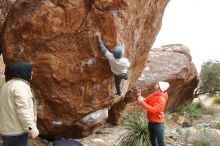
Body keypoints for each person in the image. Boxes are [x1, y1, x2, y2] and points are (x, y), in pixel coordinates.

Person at [0, 62, 39, 146]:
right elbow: (23, 110)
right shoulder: (20, 87)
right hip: (16, 132)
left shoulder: (6, 85)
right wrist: (31, 128)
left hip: (7, 130)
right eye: (30, 71)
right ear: (23, 72)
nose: (32, 73)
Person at [95, 32, 130, 96]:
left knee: (117, 83)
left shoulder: (110, 57)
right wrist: (122, 46)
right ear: (122, 55)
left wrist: (99, 38)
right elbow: (128, 65)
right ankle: (126, 78)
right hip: (124, 73)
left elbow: (103, 49)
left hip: (117, 74)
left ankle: (119, 93)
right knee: (126, 75)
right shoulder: (125, 61)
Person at [137, 81, 169, 146]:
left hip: (158, 124)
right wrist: (140, 96)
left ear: (160, 88)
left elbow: (154, 110)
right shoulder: (154, 94)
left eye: (158, 84)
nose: (156, 84)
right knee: (152, 140)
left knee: (161, 143)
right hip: (151, 122)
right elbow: (146, 101)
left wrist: (142, 102)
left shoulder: (161, 99)